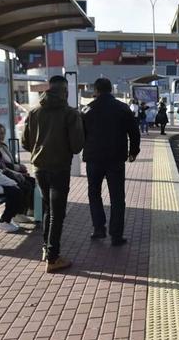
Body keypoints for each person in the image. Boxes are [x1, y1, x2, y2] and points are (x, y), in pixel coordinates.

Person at [21, 75, 84, 273]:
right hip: (59, 168)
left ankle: (46, 249)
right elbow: (76, 146)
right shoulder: (70, 113)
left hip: (39, 168)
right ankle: (53, 257)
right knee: (58, 213)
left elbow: (25, 142)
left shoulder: (34, 112)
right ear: (64, 91)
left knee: (48, 209)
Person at [82, 77, 141, 245]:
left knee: (94, 193)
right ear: (111, 90)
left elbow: (81, 132)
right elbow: (134, 132)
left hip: (93, 159)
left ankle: (99, 229)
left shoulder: (87, 109)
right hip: (116, 159)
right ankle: (116, 235)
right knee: (117, 196)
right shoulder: (122, 108)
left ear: (96, 91)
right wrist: (133, 152)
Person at [0, 123, 35, 224]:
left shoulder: (3, 146)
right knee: (23, 185)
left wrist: (20, 170)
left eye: (2, 133)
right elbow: (2, 165)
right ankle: (18, 213)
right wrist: (18, 170)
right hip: (4, 176)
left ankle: (28, 210)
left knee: (32, 182)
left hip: (12, 173)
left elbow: (11, 162)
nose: (1, 136)